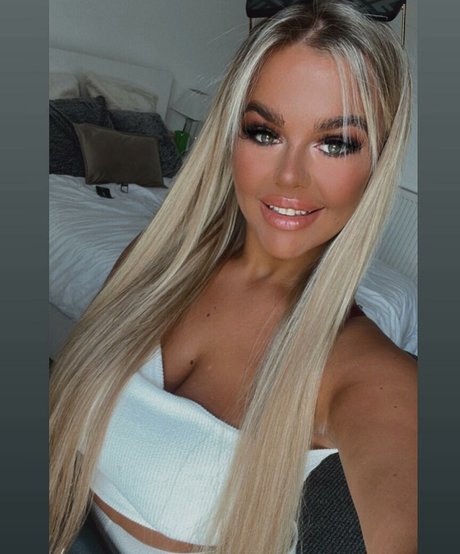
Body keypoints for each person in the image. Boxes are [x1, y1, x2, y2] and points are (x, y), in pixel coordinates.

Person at [50, 2, 417, 553]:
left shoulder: (373, 376)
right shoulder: (149, 264)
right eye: (264, 133)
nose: (289, 177)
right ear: (230, 136)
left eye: (335, 143)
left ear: (379, 163)